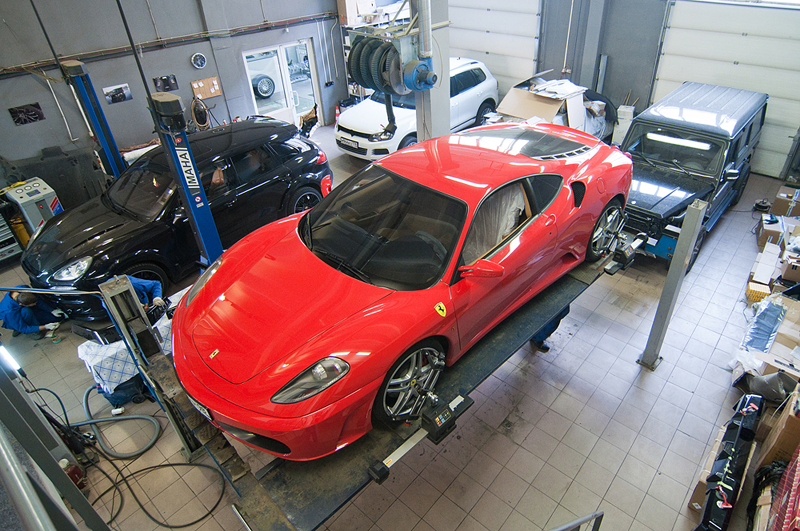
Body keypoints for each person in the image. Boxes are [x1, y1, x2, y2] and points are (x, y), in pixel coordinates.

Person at [0, 286, 64, 340]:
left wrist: (51, 310)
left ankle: (30, 323)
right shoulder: (9, 313)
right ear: (21, 304)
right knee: (26, 312)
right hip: (13, 319)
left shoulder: (24, 288)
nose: (36, 304)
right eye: (33, 304)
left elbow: (38, 301)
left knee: (56, 318)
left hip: (25, 310)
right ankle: (26, 330)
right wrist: (45, 327)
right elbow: (23, 328)